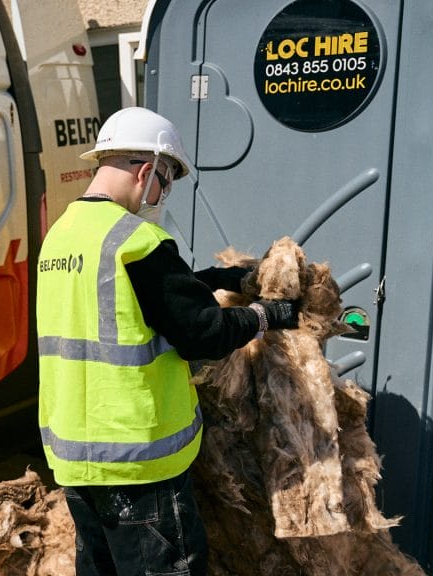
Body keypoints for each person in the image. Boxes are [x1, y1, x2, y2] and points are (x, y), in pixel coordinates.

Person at [35, 107, 298, 576]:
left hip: (77, 464)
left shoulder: (61, 236)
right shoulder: (136, 240)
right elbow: (202, 333)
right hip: (139, 467)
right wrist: (263, 315)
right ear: (146, 170)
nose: (164, 192)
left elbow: (122, 301)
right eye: (167, 179)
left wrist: (214, 278)